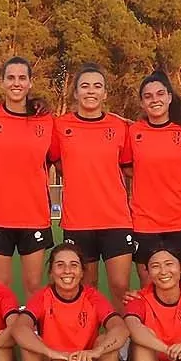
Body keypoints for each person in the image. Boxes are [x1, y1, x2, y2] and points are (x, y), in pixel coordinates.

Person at [7, 243, 127, 361]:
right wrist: (50, 352)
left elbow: (120, 328)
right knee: (31, 343)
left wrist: (96, 351)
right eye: (60, 265)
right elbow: (19, 329)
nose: (67, 271)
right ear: (51, 272)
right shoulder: (43, 297)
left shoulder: (92, 297)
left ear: (82, 272)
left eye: (73, 265)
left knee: (105, 341)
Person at [0, 57, 58, 295]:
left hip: (34, 216)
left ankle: (33, 322)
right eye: (10, 78)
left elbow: (56, 158)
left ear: (30, 83)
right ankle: (5, 323)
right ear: (2, 82)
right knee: (1, 287)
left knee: (34, 286)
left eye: (22, 78)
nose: (16, 83)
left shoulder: (45, 120)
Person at [53, 64, 135, 304]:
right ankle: (88, 329)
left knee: (120, 287)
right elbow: (56, 162)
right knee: (87, 288)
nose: (91, 91)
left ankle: (122, 330)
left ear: (105, 93)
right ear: (76, 92)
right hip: (78, 221)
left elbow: (128, 167)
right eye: (85, 86)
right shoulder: (60, 126)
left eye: (97, 86)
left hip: (116, 220)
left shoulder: (119, 127)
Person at [125, 70, 181, 289]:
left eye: (160, 94)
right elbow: (127, 167)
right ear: (142, 102)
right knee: (149, 286)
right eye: (148, 96)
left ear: (169, 97)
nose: (154, 100)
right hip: (145, 221)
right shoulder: (133, 132)